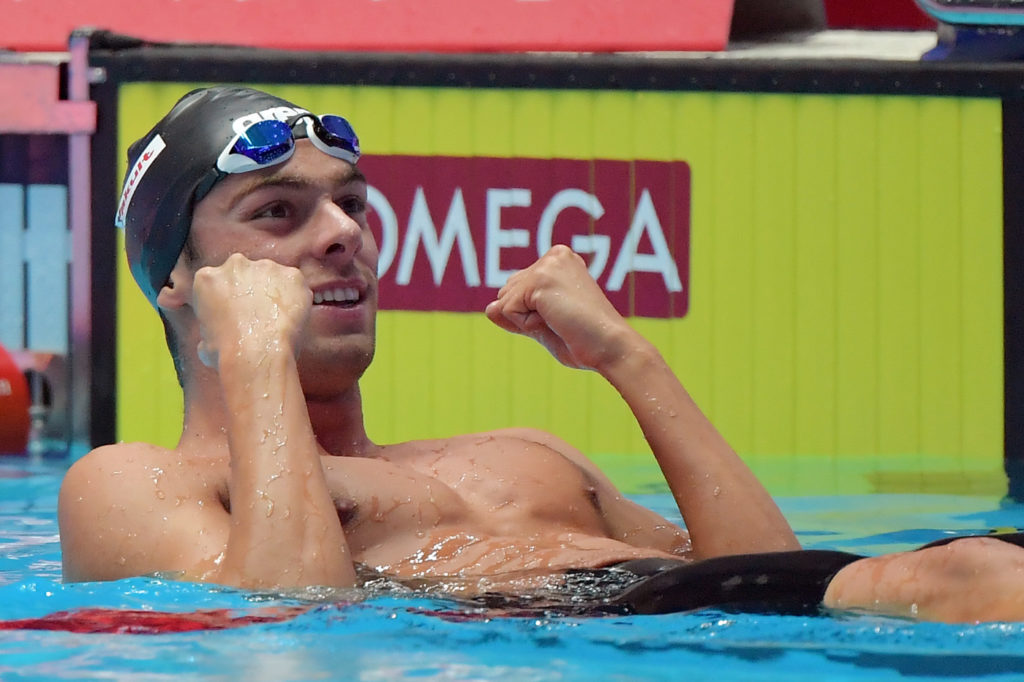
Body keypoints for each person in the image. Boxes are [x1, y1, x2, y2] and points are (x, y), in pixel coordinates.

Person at [54, 86, 1019, 624]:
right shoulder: (136, 483)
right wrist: (255, 354)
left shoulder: (526, 452)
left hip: (700, 625)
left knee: (973, 568)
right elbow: (288, 628)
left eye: (351, 203)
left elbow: (769, 583)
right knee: (971, 577)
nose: (344, 233)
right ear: (176, 281)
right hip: (587, 630)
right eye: (278, 212)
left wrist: (628, 358)